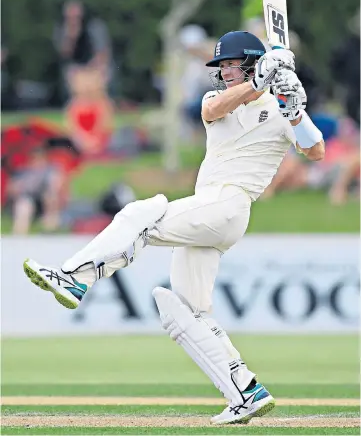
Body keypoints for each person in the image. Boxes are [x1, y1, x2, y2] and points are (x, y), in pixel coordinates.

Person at [23, 31, 325, 425]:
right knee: (183, 311)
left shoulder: (281, 110)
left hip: (229, 204)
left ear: (250, 62)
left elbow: (315, 150)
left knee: (140, 215)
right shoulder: (216, 100)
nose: (224, 73)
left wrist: (296, 110)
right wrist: (259, 81)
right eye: (222, 67)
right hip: (209, 209)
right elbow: (216, 110)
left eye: (231, 65)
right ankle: (245, 393)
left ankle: (75, 277)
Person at [53, 0, 114, 101]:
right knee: (73, 77)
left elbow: (102, 53)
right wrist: (71, 36)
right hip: (76, 68)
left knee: (95, 81)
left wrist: (90, 72)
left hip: (95, 66)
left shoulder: (94, 26)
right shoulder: (61, 29)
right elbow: (65, 54)